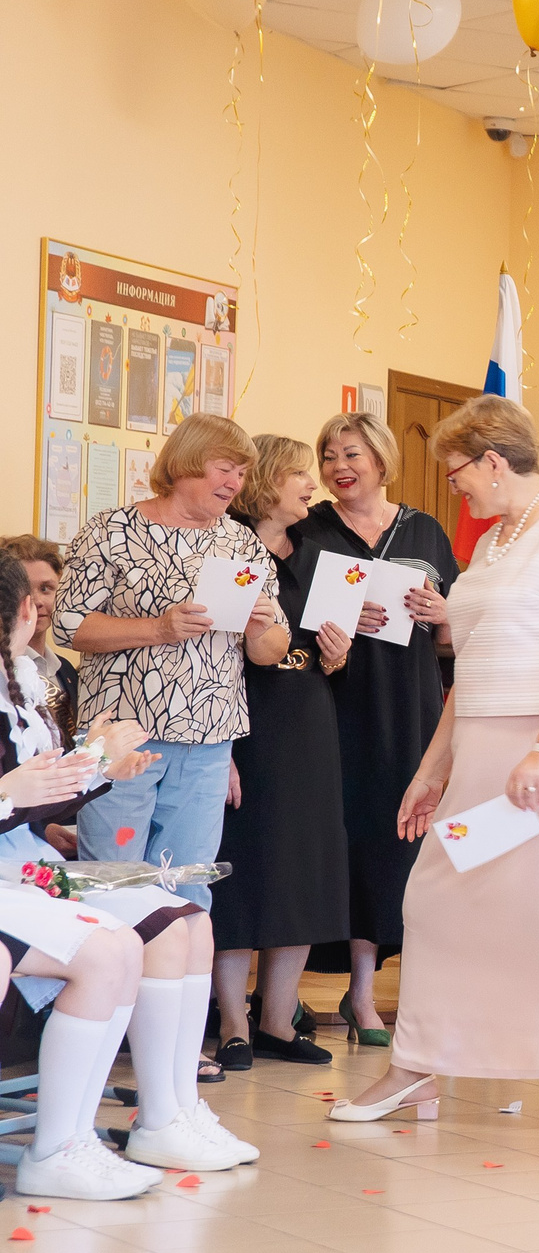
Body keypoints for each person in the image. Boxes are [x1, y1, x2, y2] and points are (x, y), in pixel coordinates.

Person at [327, 396, 539, 1138]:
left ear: (494, 461)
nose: (455, 486)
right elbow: (474, 670)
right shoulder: (495, 541)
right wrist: (433, 769)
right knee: (437, 896)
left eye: (459, 471)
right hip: (485, 746)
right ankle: (416, 1067)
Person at [0, 550, 254, 1193]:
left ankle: (169, 1111)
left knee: (187, 917)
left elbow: (39, 797)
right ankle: (70, 1140)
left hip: (32, 860)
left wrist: (102, 768)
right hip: (16, 871)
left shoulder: (27, 683)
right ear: (26, 611)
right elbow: (18, 795)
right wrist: (72, 773)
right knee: (128, 941)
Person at [54, 413, 292, 906]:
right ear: (185, 463)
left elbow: (272, 651)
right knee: (113, 879)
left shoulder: (241, 542)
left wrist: (261, 627)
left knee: (186, 886)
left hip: (207, 743)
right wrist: (157, 628)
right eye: (225, 468)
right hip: (123, 739)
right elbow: (68, 625)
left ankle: (178, 982)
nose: (234, 483)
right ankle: (108, 979)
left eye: (242, 473)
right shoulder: (112, 531)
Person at [299, 411, 458, 1046]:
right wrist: (337, 617)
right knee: (345, 844)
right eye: (329, 455)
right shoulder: (309, 531)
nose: (340, 467)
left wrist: (443, 612)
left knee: (402, 847)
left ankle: (380, 992)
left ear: (382, 461)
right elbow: (288, 621)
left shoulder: (425, 528)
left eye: (352, 454)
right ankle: (321, 994)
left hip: (410, 704)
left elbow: (452, 636)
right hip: (335, 702)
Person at [209, 435, 351, 1068]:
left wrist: (338, 655)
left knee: (301, 873)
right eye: (299, 471)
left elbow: (327, 652)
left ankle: (277, 1019)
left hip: (309, 722)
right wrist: (223, 750)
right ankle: (234, 1023)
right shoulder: (230, 548)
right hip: (247, 723)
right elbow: (210, 656)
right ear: (267, 479)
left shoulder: (322, 555)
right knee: (243, 871)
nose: (312, 483)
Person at [0, 535, 77, 736]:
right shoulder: (4, 671)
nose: (36, 601)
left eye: (46, 589)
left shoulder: (66, 671)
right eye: (25, 590)